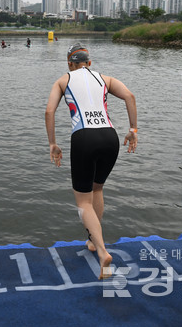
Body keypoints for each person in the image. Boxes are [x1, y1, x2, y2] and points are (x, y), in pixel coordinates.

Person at [45, 43, 138, 280]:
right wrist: (133, 129)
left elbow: (49, 111)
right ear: (89, 63)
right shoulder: (105, 79)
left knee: (83, 202)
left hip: (84, 137)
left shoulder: (62, 80)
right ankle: (93, 242)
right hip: (110, 136)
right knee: (98, 187)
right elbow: (130, 96)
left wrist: (53, 143)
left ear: (69, 63)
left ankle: (103, 251)